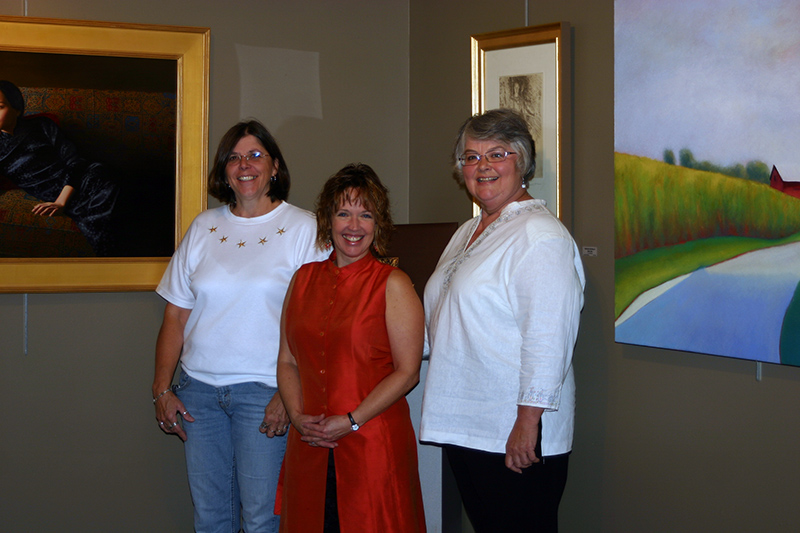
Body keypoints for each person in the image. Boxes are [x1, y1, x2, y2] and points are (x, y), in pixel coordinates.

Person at [152, 119, 327, 532]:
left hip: (266, 393)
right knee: (211, 519)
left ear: (275, 167)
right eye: (233, 157)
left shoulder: (304, 227)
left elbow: (318, 322)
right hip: (198, 396)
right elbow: (176, 315)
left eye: (255, 155)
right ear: (224, 171)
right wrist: (161, 389)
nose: (244, 165)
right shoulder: (203, 227)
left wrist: (291, 395)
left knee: (261, 519)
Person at [420, 109, 585, 532]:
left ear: (523, 162)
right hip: (470, 425)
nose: (483, 166)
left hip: (512, 432)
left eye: (497, 154)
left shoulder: (540, 236)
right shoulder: (470, 230)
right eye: (471, 157)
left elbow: (548, 338)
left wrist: (527, 422)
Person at [276, 163, 426, 532]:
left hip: (372, 443)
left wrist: (353, 420)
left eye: (365, 215)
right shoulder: (303, 279)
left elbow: (407, 373)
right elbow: (287, 360)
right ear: (328, 219)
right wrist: (296, 417)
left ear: (379, 224)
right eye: (344, 213)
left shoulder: (394, 284)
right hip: (310, 442)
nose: (354, 226)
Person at [0, 80, 119, 255]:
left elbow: (74, 161)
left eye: (0, 106)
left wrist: (61, 201)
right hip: (56, 192)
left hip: (85, 178)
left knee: (114, 189)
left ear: (17, 109)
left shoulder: (41, 125)